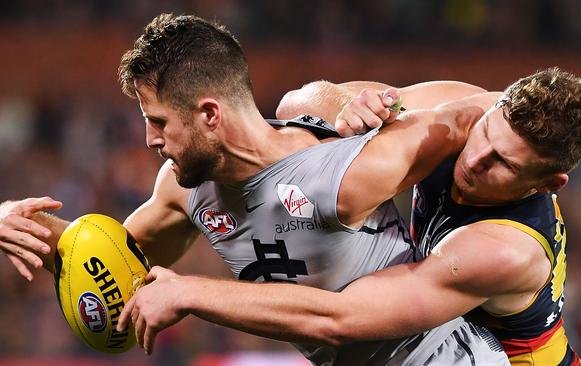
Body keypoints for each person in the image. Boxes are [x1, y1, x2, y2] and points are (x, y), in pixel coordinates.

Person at [0, 13, 508, 365]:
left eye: (158, 122)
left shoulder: (332, 151)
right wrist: (19, 223)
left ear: (210, 115)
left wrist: (384, 104)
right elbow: (111, 263)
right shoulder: (185, 190)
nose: (150, 141)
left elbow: (496, 108)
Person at [113, 67, 581, 366]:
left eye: (504, 164)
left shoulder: (504, 250)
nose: (476, 160)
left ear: (547, 183)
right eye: (487, 135)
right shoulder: (469, 112)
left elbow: (339, 319)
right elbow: (304, 102)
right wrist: (354, 109)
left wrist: (194, 291)